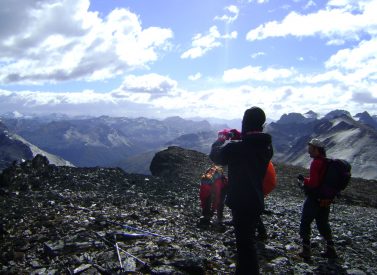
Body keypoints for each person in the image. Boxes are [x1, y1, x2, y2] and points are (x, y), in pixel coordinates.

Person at [209, 106, 273, 275]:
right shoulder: (267, 147)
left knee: (245, 246)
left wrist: (221, 139)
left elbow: (215, 156)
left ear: (246, 122)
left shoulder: (236, 148)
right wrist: (239, 136)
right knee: (248, 242)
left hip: (240, 202)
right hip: (256, 200)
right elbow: (252, 144)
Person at [297, 138, 337, 259]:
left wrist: (304, 181)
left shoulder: (316, 163)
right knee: (323, 223)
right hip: (326, 199)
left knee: (305, 222)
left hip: (315, 198)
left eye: (310, 148)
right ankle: (331, 249)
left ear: (316, 149)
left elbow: (314, 183)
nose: (308, 151)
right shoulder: (327, 162)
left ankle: (306, 250)